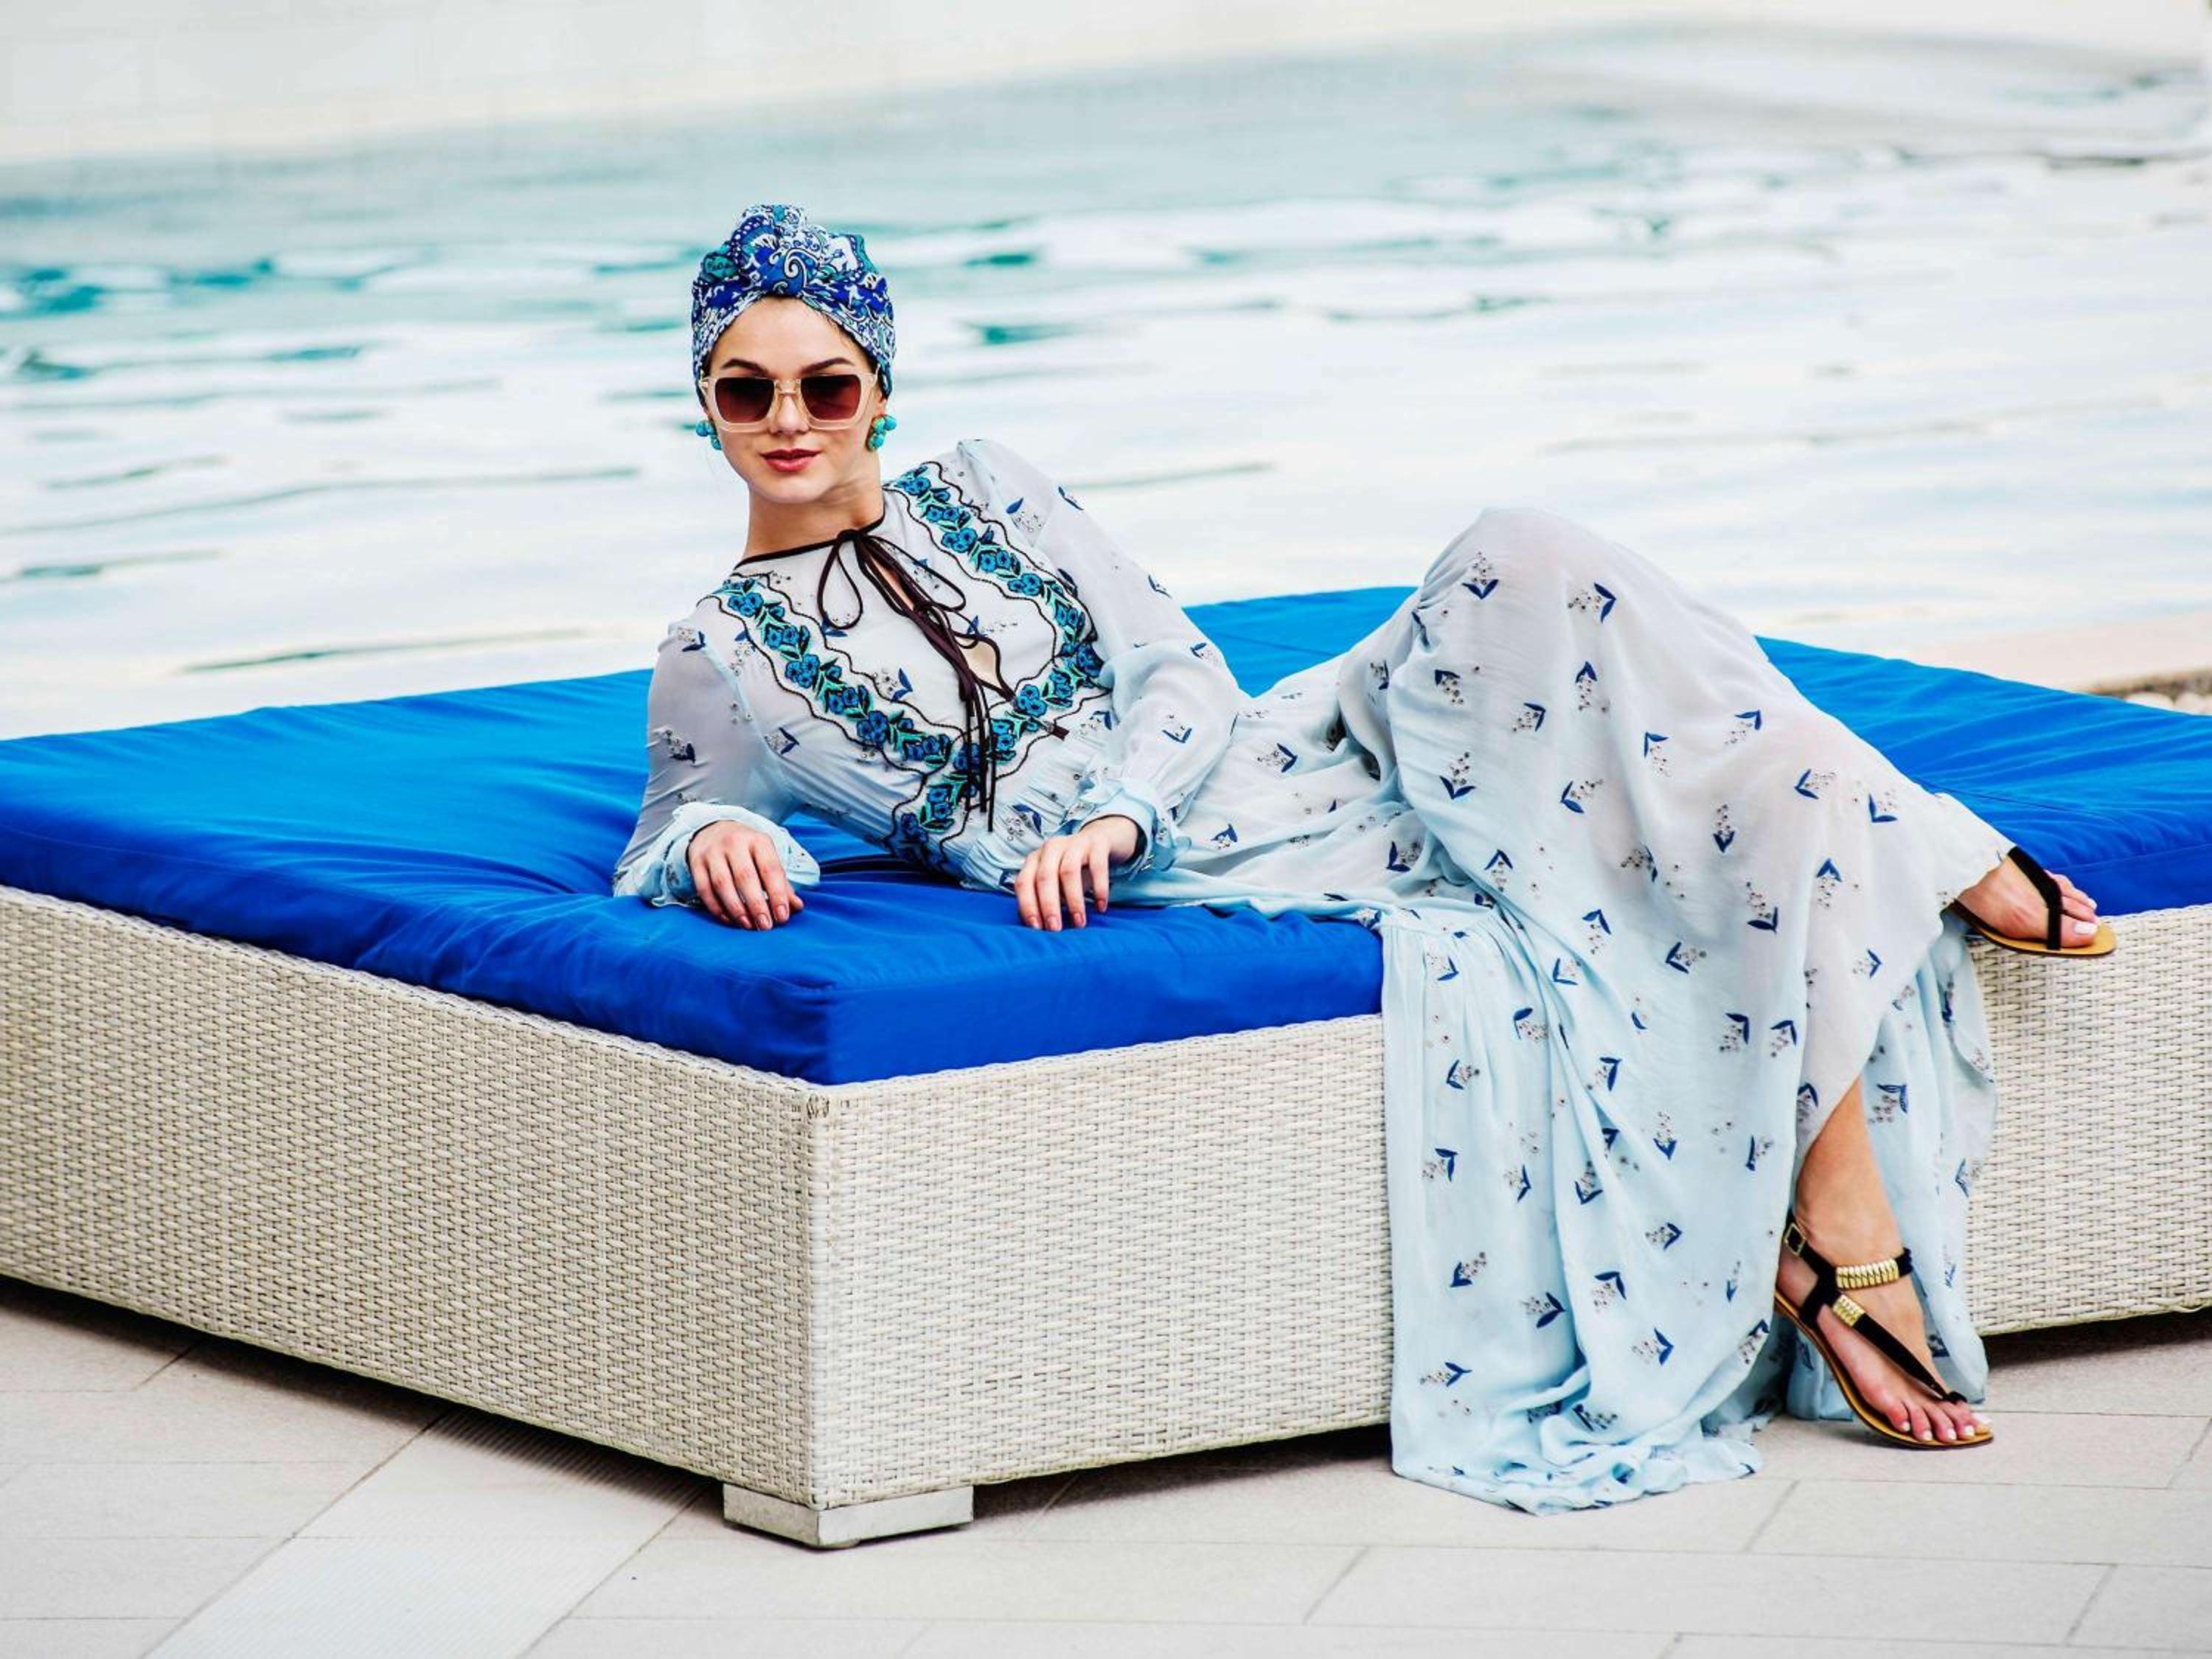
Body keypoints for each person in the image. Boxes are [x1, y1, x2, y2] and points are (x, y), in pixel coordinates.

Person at [613, 201, 2115, 1513]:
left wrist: (1123, 806)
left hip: (1271, 749)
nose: (790, 419)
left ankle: (1912, 844)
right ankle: (1846, 1213)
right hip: (1235, 858)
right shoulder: (720, 648)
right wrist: (721, 834)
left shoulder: (995, 482)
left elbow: (1179, 666)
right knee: (1728, 796)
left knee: (1526, 549)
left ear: (881, 390)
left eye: (827, 383)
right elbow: (666, 831)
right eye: (748, 391)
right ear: (705, 406)